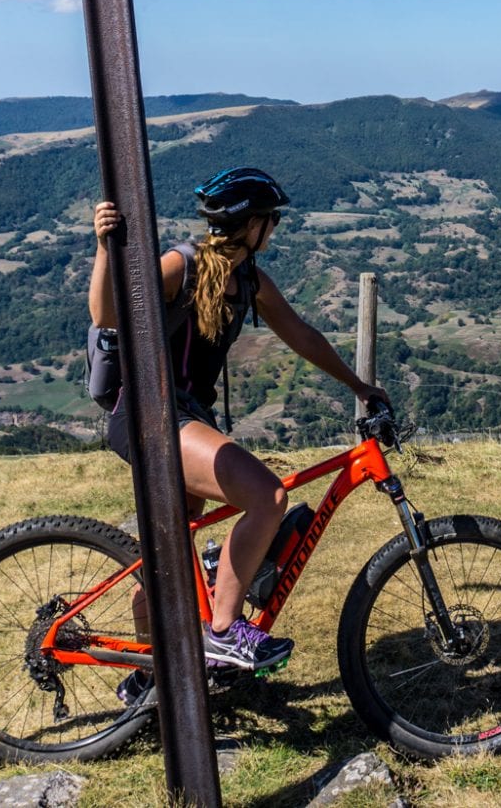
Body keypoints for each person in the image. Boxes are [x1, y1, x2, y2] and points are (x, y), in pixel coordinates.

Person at [90, 166, 386, 690]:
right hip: (151, 417)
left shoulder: (248, 279)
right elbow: (108, 314)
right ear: (251, 225)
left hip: (183, 418)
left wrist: (359, 386)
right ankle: (224, 630)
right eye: (271, 219)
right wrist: (104, 249)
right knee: (267, 497)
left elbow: (302, 335)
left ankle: (152, 680)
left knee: (171, 559)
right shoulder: (182, 266)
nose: (274, 227)